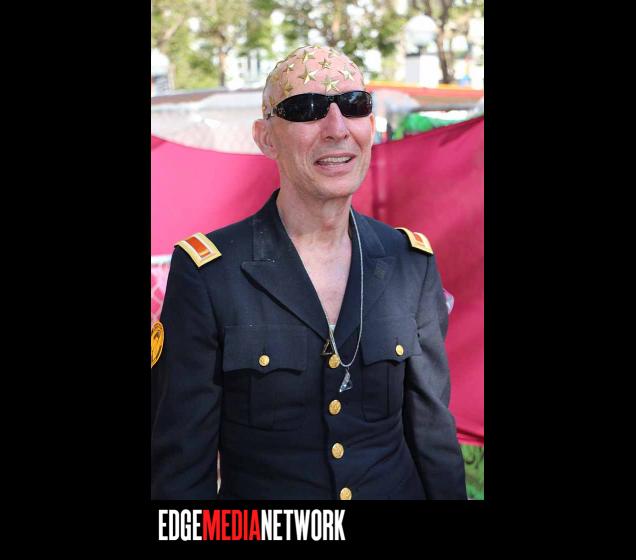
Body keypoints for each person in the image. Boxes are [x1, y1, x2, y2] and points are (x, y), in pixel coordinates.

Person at [150, 45, 466, 500]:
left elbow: (432, 435)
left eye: (354, 105)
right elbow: (180, 468)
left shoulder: (409, 261)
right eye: (306, 109)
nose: (337, 128)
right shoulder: (210, 273)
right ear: (266, 138)